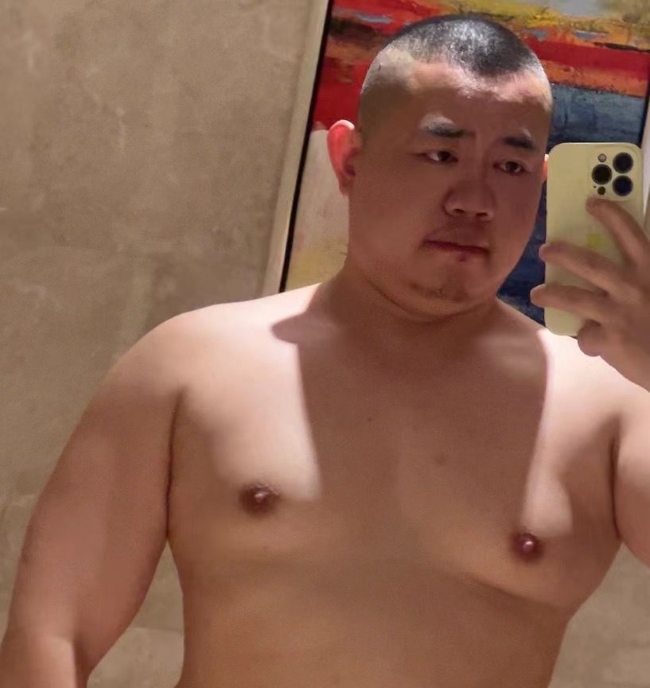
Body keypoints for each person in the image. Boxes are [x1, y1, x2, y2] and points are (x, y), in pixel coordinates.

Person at [1, 14, 650, 688]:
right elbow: (54, 631)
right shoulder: (189, 365)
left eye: (510, 166)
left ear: (540, 182)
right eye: (441, 154)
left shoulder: (609, 404)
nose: (475, 199)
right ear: (349, 160)